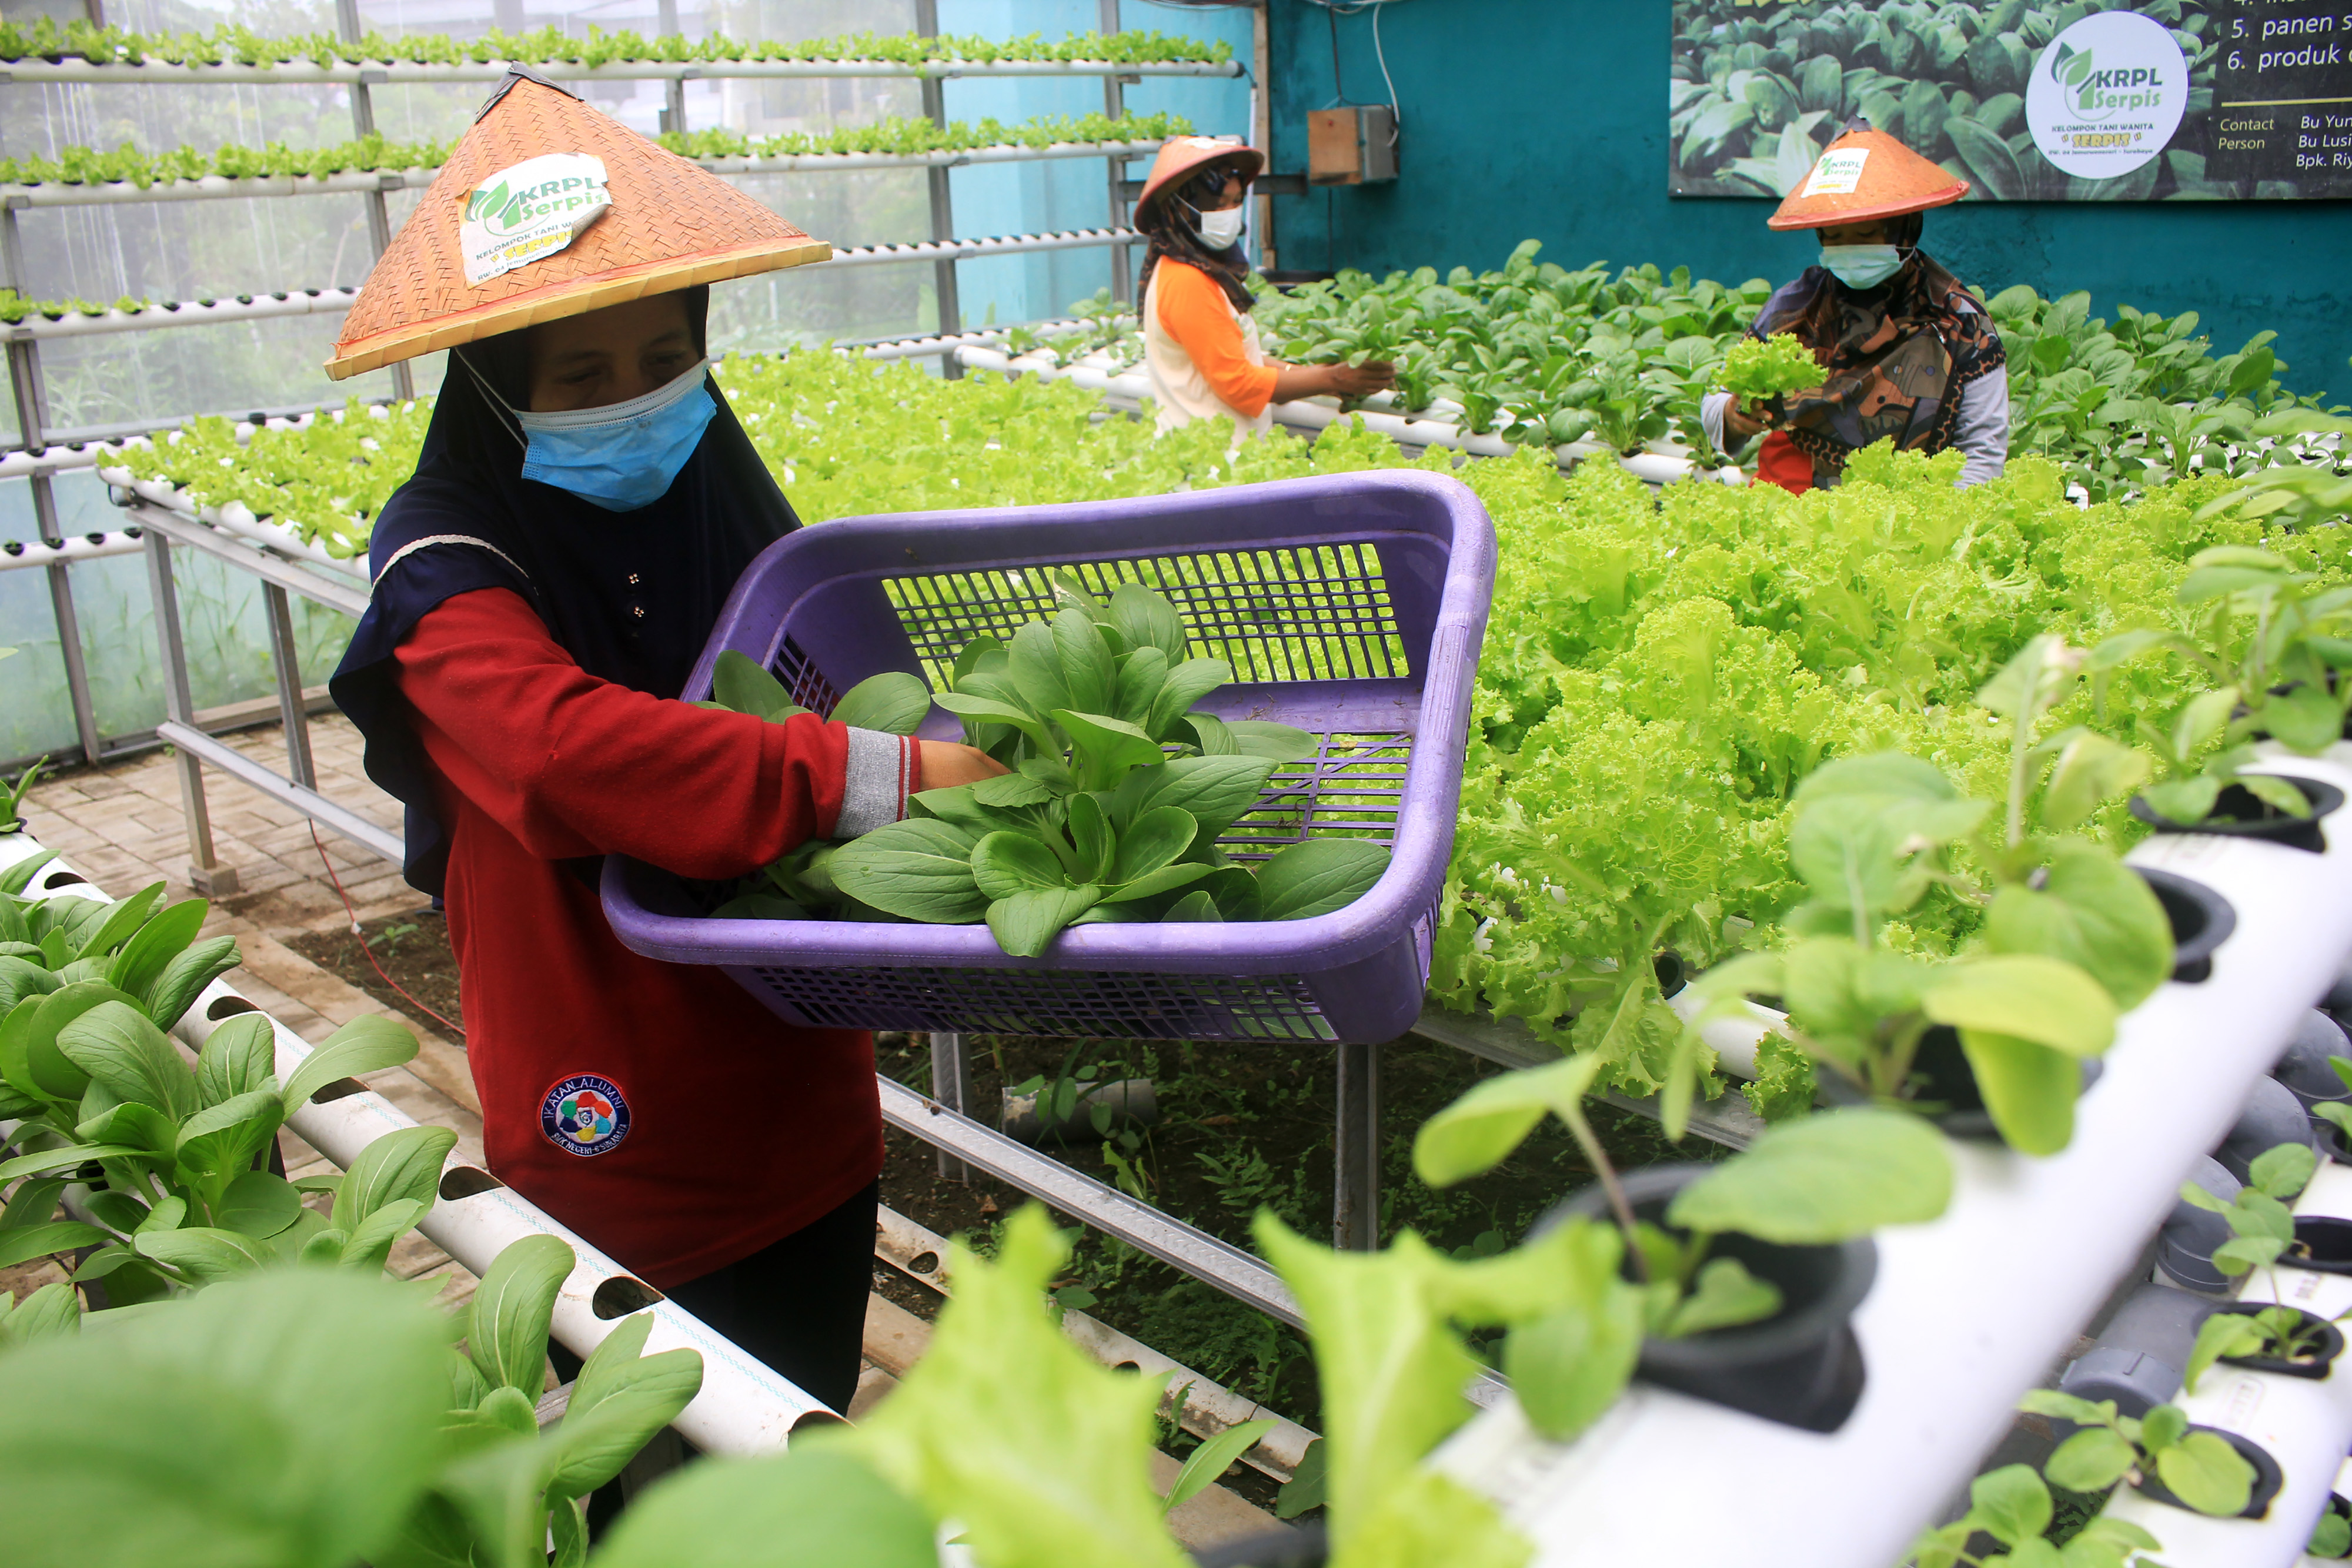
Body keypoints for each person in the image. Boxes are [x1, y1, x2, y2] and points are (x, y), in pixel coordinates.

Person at [324, 69, 1004, 1413]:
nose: (634, 402)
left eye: (664, 361)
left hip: (794, 1077)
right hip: (612, 1093)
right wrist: (884, 777)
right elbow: (565, 749)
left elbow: (850, 661)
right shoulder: (442, 567)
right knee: (654, 1457)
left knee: (797, 1418)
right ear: (495, 386)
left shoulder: (720, 501)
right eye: (580, 375)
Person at [1700, 123, 2009, 493]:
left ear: (1904, 228)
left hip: (1901, 516)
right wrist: (1734, 416)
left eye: (1865, 235)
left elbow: (1982, 453)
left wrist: (1937, 527)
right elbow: (1718, 404)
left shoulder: (1959, 321)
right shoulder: (1797, 306)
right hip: (1788, 505)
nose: (1849, 248)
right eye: (1834, 237)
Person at [1134, 135, 1396, 438]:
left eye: (1236, 202)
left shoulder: (1195, 270)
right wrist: (1334, 380)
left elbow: (1236, 359)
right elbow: (1239, 385)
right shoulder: (1187, 281)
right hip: (1214, 467)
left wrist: (1317, 374)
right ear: (1178, 209)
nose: (1230, 215)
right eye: (1218, 204)